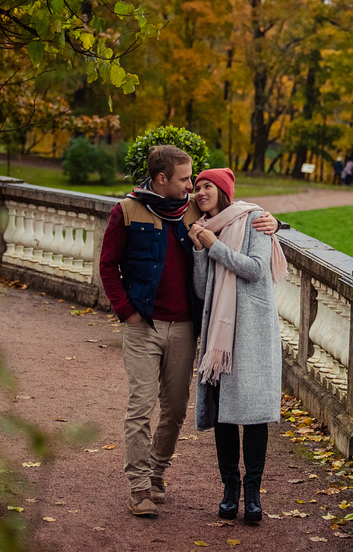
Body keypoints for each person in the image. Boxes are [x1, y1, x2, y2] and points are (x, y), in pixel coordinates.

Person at [99, 145, 279, 517]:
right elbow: (107, 265)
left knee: (176, 409)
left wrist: (275, 224)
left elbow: (236, 216)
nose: (192, 189)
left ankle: (157, 473)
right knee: (140, 407)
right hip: (143, 325)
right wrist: (127, 312)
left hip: (184, 327)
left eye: (195, 182)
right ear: (161, 178)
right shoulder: (127, 211)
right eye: (185, 180)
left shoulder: (194, 212)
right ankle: (139, 489)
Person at [188, 168, 287, 524]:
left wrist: (213, 246)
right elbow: (202, 290)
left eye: (207, 186)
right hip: (219, 333)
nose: (200, 192)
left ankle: (253, 493)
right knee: (225, 413)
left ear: (224, 191)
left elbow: (257, 269)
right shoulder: (202, 229)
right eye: (197, 187)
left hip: (252, 332)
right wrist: (201, 250)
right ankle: (230, 490)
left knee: (254, 414)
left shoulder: (255, 220)